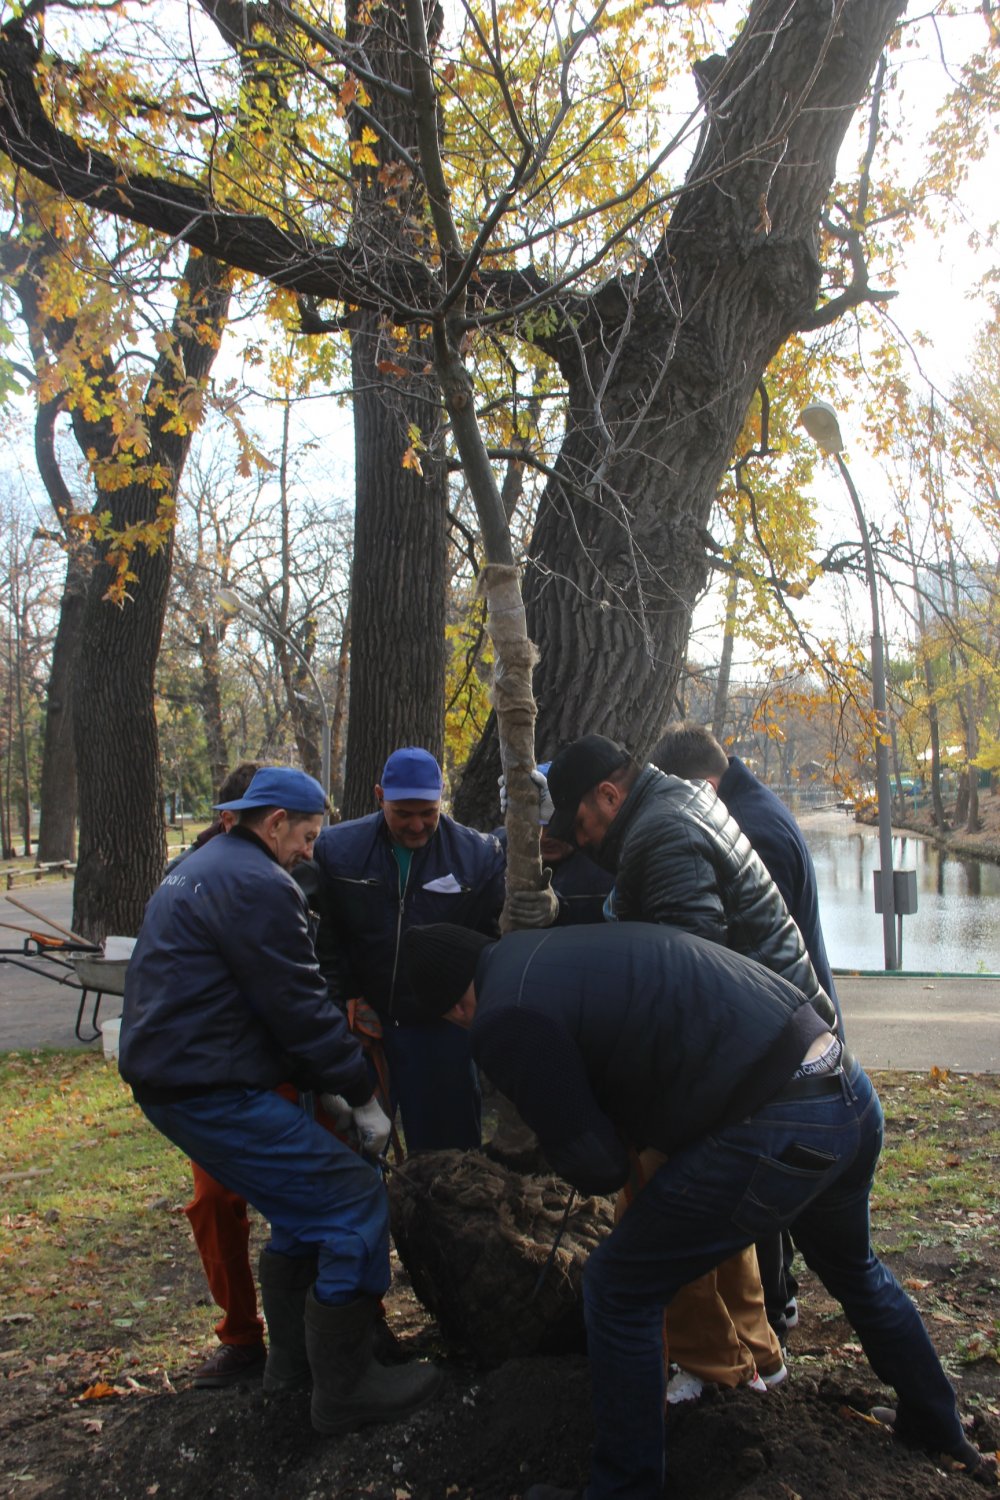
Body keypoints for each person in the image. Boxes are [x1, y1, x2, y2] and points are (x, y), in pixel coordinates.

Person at [402, 920, 992, 1500]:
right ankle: (937, 1424)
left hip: (779, 1125)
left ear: (453, 1009)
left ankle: (623, 1489)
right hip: (843, 1089)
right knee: (854, 1268)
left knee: (618, 1286)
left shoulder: (504, 1014)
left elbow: (599, 1164)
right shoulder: (551, 951)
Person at [119, 766, 441, 1433]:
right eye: (306, 837)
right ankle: (347, 1388)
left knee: (301, 1213)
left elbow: (259, 999)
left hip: (179, 1079)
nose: (309, 852)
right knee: (354, 1201)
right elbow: (297, 1006)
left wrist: (321, 1080)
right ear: (274, 824)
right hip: (210, 1088)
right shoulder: (259, 884)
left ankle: (293, 1371)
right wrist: (360, 1092)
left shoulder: (201, 864)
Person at [544, 734, 844, 1399]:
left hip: (748, 1046)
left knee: (656, 1195)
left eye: (583, 823)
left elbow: (691, 969)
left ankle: (713, 1367)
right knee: (707, 1200)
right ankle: (759, 1352)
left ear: (609, 795)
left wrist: (641, 1085)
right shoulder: (675, 807)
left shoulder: (661, 832)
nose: (583, 839)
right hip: (771, 1037)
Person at [652, 721, 841, 1342]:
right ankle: (776, 1298)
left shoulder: (751, 829)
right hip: (791, 1030)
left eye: (679, 797)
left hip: (785, 1038)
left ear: (703, 784)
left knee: (764, 1179)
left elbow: (760, 954)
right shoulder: (751, 810)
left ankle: (775, 1305)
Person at [306, 746, 553, 1153]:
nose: (417, 825)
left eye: (428, 812)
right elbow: (327, 944)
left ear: (442, 798)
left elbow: (495, 940)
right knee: (349, 1150)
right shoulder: (338, 851)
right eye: (403, 813)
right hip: (365, 1026)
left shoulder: (477, 857)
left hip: (440, 1031)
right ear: (379, 796)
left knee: (448, 1155)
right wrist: (344, 1003)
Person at [165, 761, 269, 1388]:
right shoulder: (187, 881)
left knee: (333, 1185)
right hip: (218, 1073)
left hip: (288, 1065)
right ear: (227, 819)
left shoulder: (303, 868)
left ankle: (346, 1321)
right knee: (212, 1199)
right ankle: (240, 1335)